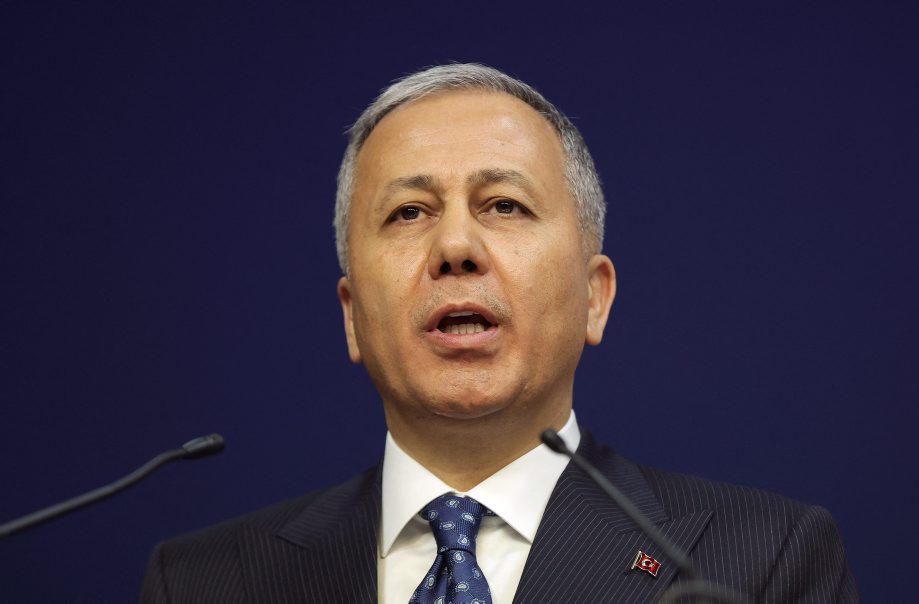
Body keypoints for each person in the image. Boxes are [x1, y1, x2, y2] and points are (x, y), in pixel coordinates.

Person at [140, 64, 857, 603]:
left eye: (504, 205)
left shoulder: (758, 563)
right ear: (352, 315)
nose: (456, 246)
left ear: (593, 297)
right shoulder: (203, 583)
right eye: (409, 213)